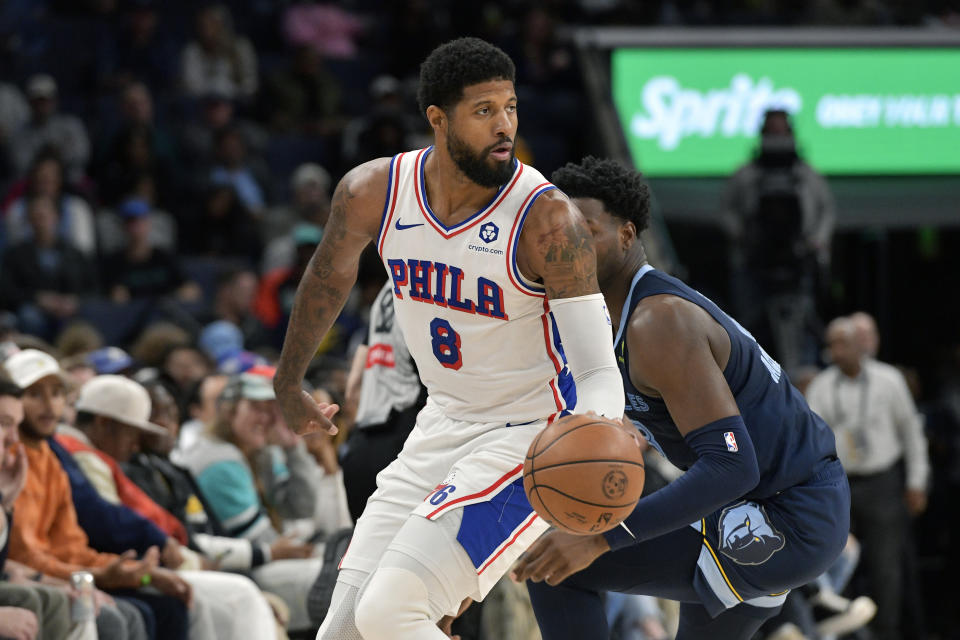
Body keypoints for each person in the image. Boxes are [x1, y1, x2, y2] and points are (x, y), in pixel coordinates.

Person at [273, 37, 623, 640]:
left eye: (510, 107)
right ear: (437, 118)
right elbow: (327, 277)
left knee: (391, 613)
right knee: (345, 630)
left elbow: (597, 371)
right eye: (483, 111)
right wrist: (288, 380)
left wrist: (592, 451)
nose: (504, 126)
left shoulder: (547, 220)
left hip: (532, 437)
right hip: (441, 426)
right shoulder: (373, 192)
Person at [512, 156, 849, 639]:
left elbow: (734, 467)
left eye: (585, 228)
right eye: (559, 232)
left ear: (627, 235)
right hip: (755, 503)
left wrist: (603, 539)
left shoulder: (658, 321)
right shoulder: (597, 324)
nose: (569, 244)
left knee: (560, 565)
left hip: (786, 510)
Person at [805, 316, 930, 640]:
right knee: (835, 558)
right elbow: (811, 442)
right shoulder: (821, 386)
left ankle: (886, 633)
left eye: (842, 343)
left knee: (886, 566)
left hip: (882, 481)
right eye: (831, 344)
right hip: (840, 483)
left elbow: (911, 433)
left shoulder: (888, 379)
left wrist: (916, 481)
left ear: (859, 345)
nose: (836, 350)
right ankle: (842, 631)